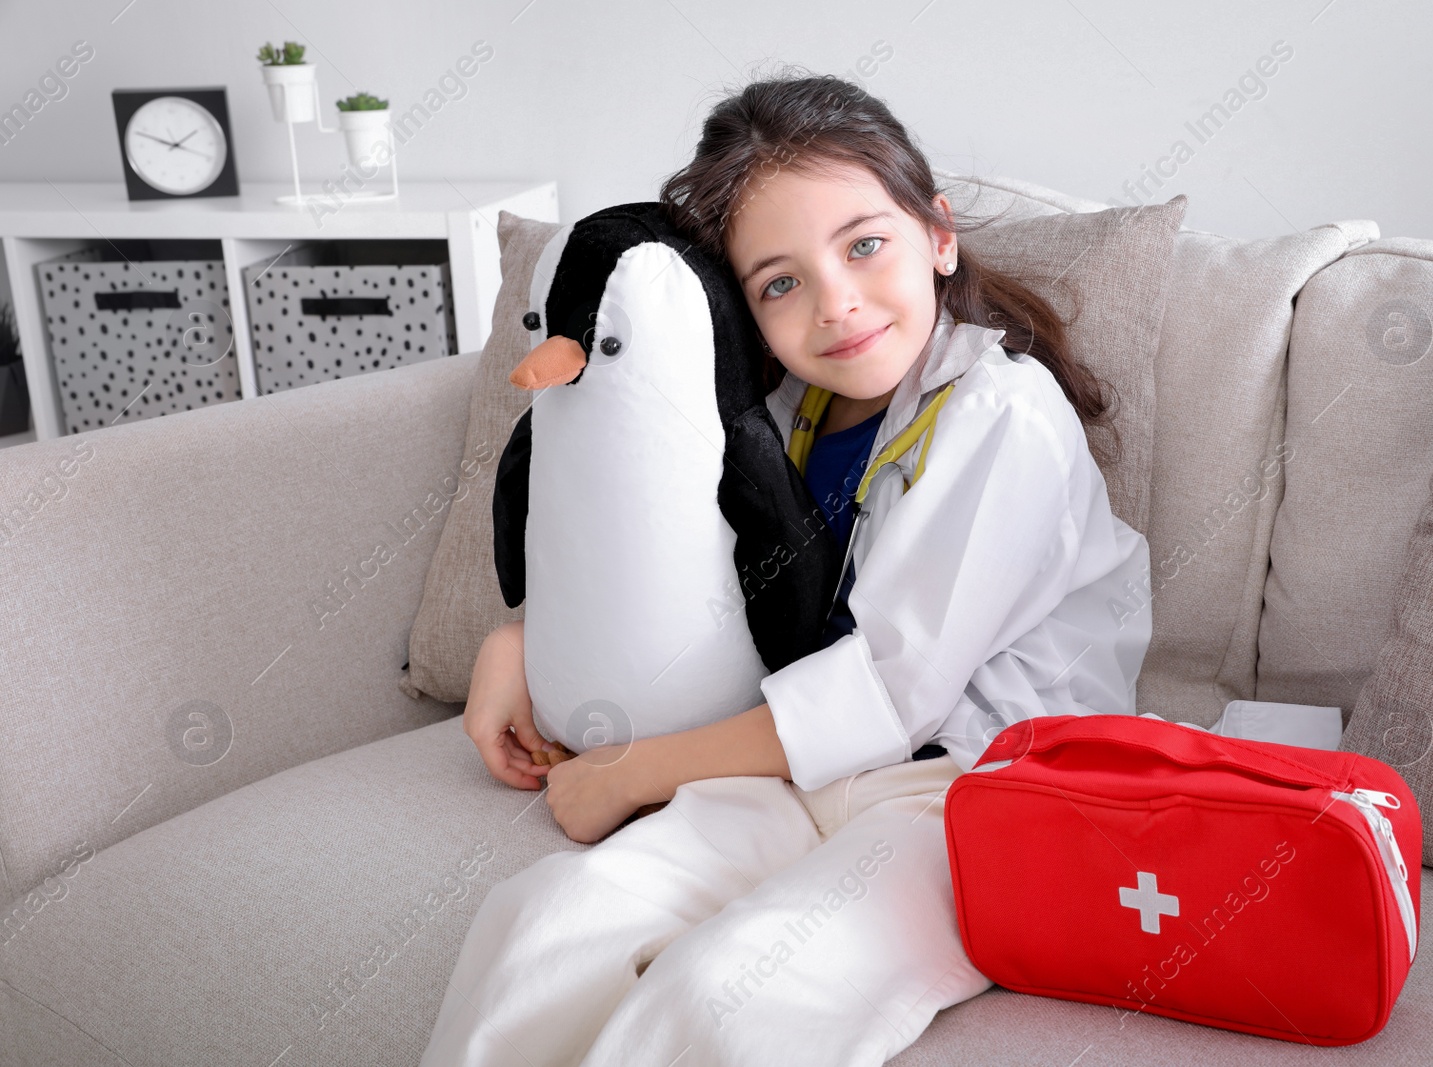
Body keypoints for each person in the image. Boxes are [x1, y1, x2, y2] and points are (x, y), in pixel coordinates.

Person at [420, 70, 1153, 1067]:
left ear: (937, 235)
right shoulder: (777, 416)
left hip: (971, 788)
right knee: (543, 924)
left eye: (863, 245)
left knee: (728, 991)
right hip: (800, 769)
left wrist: (629, 770)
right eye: (779, 282)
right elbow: (669, 580)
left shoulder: (1002, 413)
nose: (836, 303)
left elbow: (891, 692)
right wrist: (518, 641)